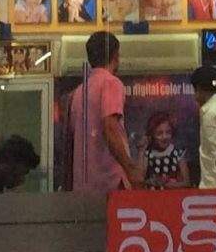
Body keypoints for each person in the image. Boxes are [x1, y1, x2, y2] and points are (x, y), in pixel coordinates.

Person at [69, 31, 140, 192]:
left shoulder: (79, 92)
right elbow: (110, 127)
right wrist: (130, 169)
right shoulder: (111, 83)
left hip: (83, 186)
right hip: (110, 182)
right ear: (115, 56)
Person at [142, 113, 186, 187]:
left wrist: (170, 184)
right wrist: (153, 182)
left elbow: (186, 182)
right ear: (152, 135)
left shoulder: (178, 153)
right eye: (159, 133)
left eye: (168, 132)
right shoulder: (147, 154)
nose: (164, 137)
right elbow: (141, 180)